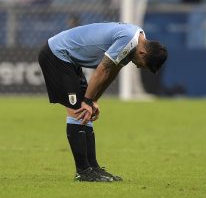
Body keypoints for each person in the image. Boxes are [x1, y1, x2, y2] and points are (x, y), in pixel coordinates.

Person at [38, 22, 168, 182]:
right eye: (143, 65)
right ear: (142, 52)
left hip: (69, 60)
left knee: (86, 111)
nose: (139, 67)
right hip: (57, 54)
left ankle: (93, 168)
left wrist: (93, 100)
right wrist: (86, 100)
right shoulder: (129, 39)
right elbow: (103, 69)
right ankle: (83, 171)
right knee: (77, 111)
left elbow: (112, 72)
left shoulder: (136, 42)